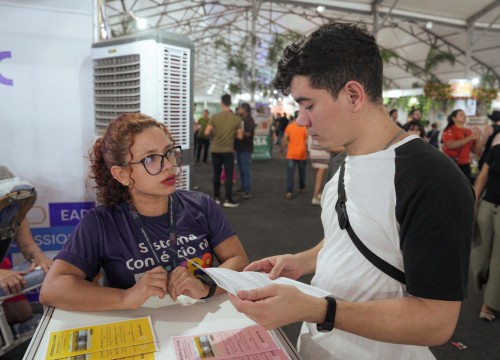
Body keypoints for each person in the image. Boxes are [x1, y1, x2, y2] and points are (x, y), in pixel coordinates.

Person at [228, 22, 474, 359]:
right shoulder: (340, 163)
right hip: (316, 347)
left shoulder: (431, 179)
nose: (300, 120)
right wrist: (301, 261)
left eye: (308, 104)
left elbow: (436, 321)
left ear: (353, 95)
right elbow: (345, 236)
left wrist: (319, 310)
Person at [40, 113, 248, 311]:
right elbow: (53, 288)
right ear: (122, 174)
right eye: (150, 159)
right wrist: (126, 297)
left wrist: (206, 285)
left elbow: (238, 259)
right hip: (139, 332)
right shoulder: (101, 223)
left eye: (169, 153)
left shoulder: (201, 205)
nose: (168, 165)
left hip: (201, 326)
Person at [0, 166, 52, 331]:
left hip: (2, 264)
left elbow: (28, 246)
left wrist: (40, 258)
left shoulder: (14, 207)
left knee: (22, 314)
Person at [470, 133, 500, 322]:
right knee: (478, 255)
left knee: (498, 259)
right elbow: (482, 176)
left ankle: (489, 303)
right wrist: (472, 202)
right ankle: (490, 283)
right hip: (487, 207)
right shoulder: (497, 147)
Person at [204, 94, 243, 208]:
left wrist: (214, 134)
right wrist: (231, 133)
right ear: (230, 103)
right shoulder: (236, 118)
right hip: (228, 151)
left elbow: (206, 132)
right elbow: (240, 136)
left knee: (216, 174)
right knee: (229, 175)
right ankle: (228, 199)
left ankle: (216, 198)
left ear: (221, 103)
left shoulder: (215, 117)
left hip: (215, 149)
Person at [442, 109, 482, 182]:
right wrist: (470, 138)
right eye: (461, 114)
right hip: (452, 163)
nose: (464, 116)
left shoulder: (468, 131)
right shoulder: (449, 130)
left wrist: (478, 138)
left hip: (466, 164)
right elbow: (450, 145)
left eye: (464, 114)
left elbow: (476, 150)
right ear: (454, 118)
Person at [281, 113, 307, 200]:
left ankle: (289, 191)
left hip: (291, 153)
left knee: (290, 174)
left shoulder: (289, 127)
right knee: (302, 172)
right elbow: (307, 141)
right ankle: (302, 188)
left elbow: (284, 140)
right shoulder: (305, 128)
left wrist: (282, 150)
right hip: (302, 153)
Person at [235, 102, 256, 199]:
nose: (238, 110)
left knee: (246, 170)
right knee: (241, 169)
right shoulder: (241, 119)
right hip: (239, 148)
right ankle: (243, 188)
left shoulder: (249, 120)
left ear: (244, 109)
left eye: (240, 108)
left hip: (246, 149)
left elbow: (248, 134)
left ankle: (247, 190)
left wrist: (237, 131)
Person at [308, 136, 330, 205]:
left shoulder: (315, 127)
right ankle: (315, 197)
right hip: (322, 153)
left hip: (314, 152)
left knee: (318, 175)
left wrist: (309, 151)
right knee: (320, 178)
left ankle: (318, 193)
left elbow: (309, 140)